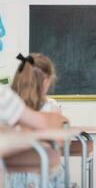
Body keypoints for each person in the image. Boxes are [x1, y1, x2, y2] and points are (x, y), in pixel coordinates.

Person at [5, 53, 66, 188]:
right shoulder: (52, 109)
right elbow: (58, 145)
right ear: (46, 81)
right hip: (44, 174)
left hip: (9, 176)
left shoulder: (7, 105)